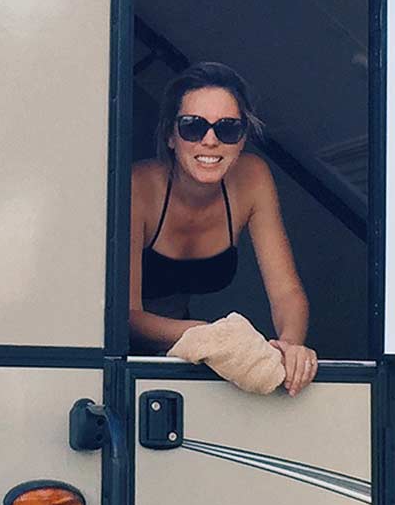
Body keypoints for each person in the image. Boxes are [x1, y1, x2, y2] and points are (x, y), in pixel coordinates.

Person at [129, 61, 318, 397]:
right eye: (192, 127)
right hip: (124, 351)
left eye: (228, 128)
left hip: (189, 346)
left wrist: (290, 346)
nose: (211, 140)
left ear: (243, 137)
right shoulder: (139, 187)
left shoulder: (253, 178)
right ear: (171, 137)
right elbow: (127, 313)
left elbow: (286, 292)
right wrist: (213, 336)